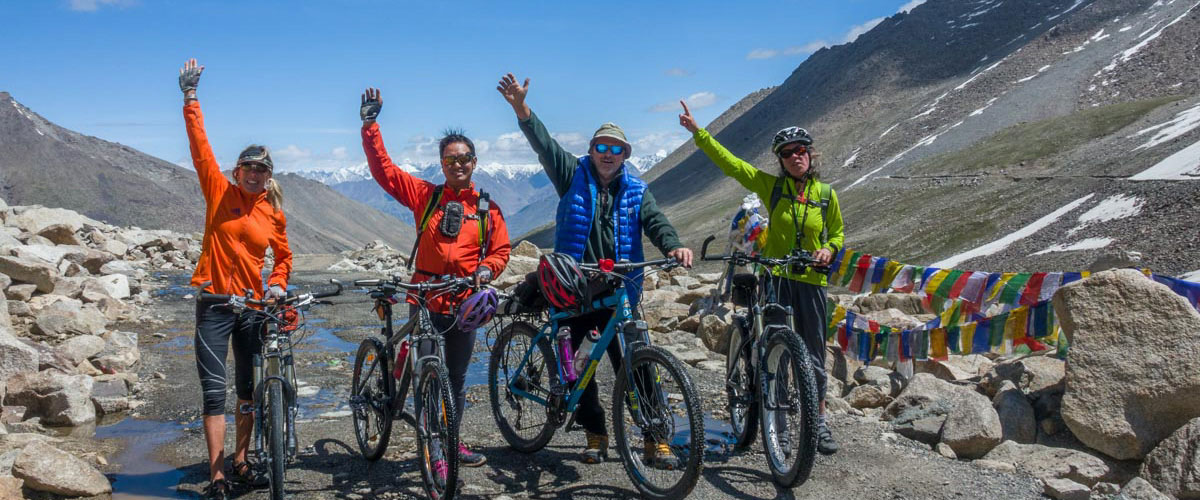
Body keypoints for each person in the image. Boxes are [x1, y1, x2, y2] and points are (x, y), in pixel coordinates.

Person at [497, 73, 694, 466]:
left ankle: (656, 437)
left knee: (636, 362)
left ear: (626, 155)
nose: (608, 153)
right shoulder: (572, 173)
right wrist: (521, 108)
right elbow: (544, 145)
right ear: (591, 150)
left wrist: (673, 246)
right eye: (602, 146)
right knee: (580, 366)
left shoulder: (637, 190)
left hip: (620, 288)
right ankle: (595, 434)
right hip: (572, 287)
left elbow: (655, 221)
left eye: (616, 149)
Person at [678, 101, 844, 455]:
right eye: (787, 153)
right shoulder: (773, 188)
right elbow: (732, 165)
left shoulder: (826, 195)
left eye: (801, 151)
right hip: (776, 280)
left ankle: (820, 423)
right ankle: (779, 429)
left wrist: (829, 249)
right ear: (781, 161)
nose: (795, 157)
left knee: (813, 357)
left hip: (812, 283)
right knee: (776, 357)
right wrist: (699, 134)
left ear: (810, 156)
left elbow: (838, 234)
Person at [359, 87, 511, 471]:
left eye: (463, 159)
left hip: (465, 301)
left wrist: (485, 270)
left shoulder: (487, 209)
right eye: (449, 159)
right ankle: (434, 450)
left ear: (474, 162)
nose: (457, 164)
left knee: (456, 378)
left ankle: (452, 440)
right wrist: (370, 125)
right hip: (426, 298)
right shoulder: (425, 196)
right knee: (429, 374)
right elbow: (385, 171)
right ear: (441, 164)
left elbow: (501, 251)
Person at [179, 59, 293, 499]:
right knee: (214, 394)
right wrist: (190, 98)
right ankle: (218, 474)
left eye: (261, 170)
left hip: (252, 307)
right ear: (236, 170)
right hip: (213, 303)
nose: (253, 174)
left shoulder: (273, 213)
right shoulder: (218, 191)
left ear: (268, 177)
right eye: (247, 168)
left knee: (247, 391)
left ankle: (241, 462)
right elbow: (199, 145)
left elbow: (283, 258)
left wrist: (278, 284)